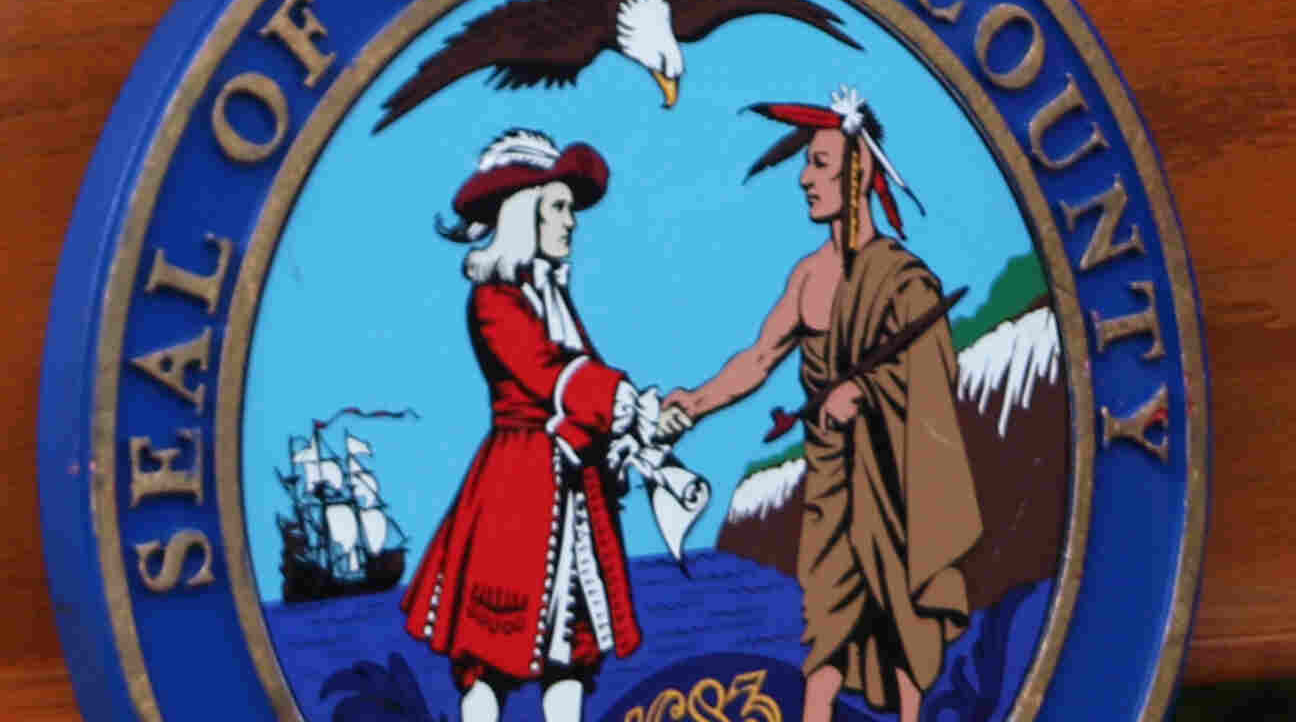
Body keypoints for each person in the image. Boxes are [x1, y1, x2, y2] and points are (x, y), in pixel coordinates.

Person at [667, 94, 982, 720]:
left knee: (903, 616)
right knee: (827, 625)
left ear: (859, 172)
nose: (804, 179)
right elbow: (759, 358)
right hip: (834, 483)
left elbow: (930, 378)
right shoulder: (807, 278)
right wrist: (695, 403)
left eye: (819, 164)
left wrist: (865, 394)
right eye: (806, 166)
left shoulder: (904, 280)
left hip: (896, 482)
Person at [399, 132, 680, 722]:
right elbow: (550, 374)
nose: (570, 223)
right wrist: (628, 404)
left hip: (574, 491)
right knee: (491, 656)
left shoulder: (551, 297)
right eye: (558, 208)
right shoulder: (495, 302)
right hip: (517, 493)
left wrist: (643, 425)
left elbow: (589, 381)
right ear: (524, 213)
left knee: (571, 650)